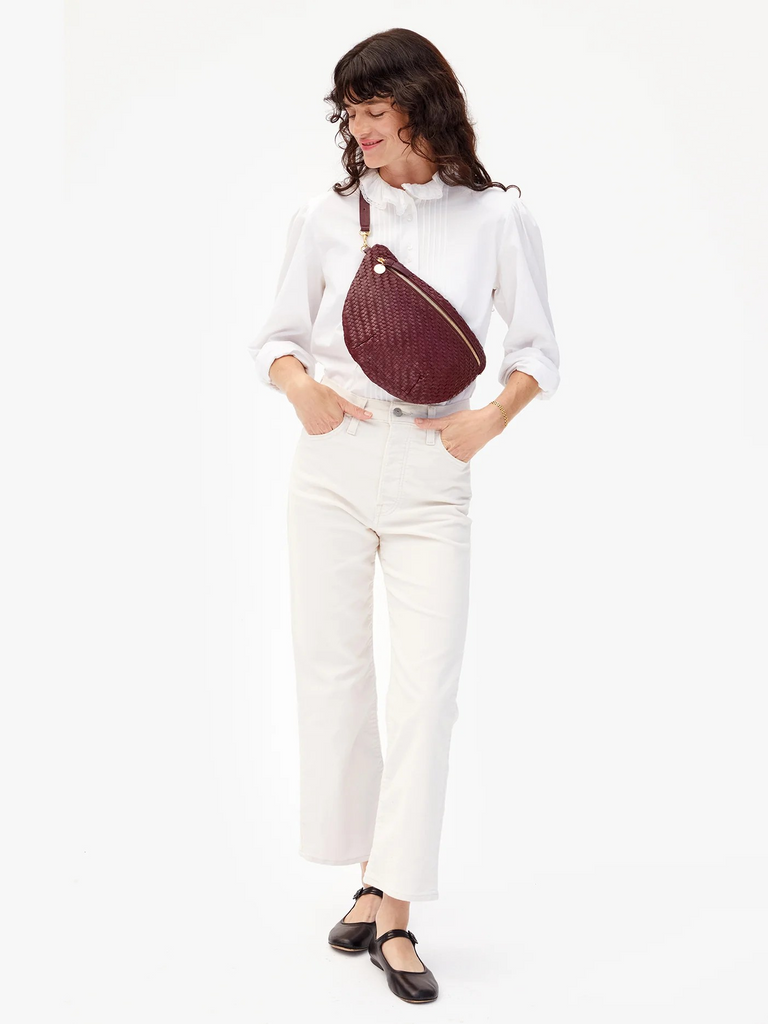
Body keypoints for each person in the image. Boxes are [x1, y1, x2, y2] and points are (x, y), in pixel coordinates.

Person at [248, 27, 560, 1004]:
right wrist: (299, 387)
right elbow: (274, 337)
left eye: (374, 111)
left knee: (426, 693)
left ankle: (395, 914)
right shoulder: (327, 215)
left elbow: (538, 350)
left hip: (433, 472)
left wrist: (490, 420)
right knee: (335, 679)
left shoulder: (496, 216)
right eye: (350, 114)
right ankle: (370, 877)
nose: (359, 131)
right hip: (332, 464)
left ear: (422, 106)